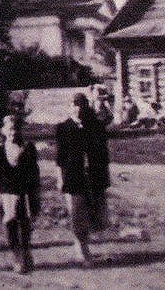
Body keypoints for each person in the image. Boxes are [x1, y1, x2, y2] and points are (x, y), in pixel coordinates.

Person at [55, 93, 111, 267]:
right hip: (73, 176)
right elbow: (60, 157)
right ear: (70, 107)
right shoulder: (63, 128)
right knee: (77, 212)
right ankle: (82, 248)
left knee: (95, 215)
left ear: (86, 107)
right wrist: (59, 178)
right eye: (74, 105)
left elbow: (103, 153)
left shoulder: (94, 126)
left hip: (93, 176)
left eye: (81, 105)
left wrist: (104, 176)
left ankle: (82, 245)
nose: (77, 109)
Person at [0, 99, 41, 273]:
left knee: (25, 224)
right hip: (6, 193)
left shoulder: (28, 148)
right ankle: (16, 256)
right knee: (9, 223)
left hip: (24, 192)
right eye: (9, 129)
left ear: (20, 130)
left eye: (16, 128)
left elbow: (34, 172)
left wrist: (35, 193)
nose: (13, 132)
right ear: (3, 131)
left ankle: (25, 252)